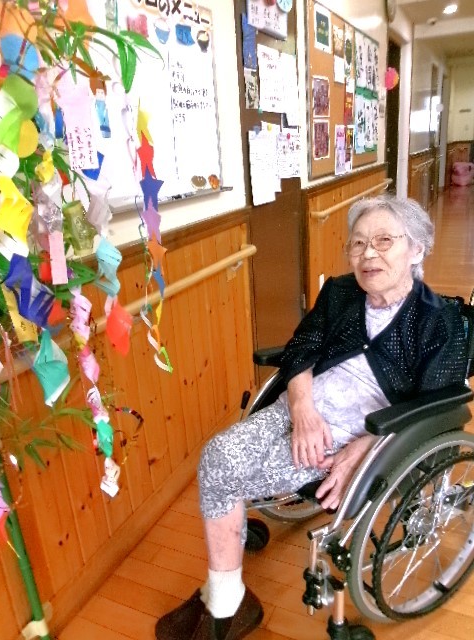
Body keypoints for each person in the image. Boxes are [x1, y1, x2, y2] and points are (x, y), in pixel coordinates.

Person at [155, 195, 467, 640]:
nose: (368, 254)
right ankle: (227, 590)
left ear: (416, 249)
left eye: (384, 241)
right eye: (358, 243)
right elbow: (301, 348)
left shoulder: (440, 321)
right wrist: (301, 408)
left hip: (362, 432)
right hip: (301, 405)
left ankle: (225, 600)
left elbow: (434, 406)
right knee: (217, 455)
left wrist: (363, 449)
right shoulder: (341, 292)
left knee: (224, 474)